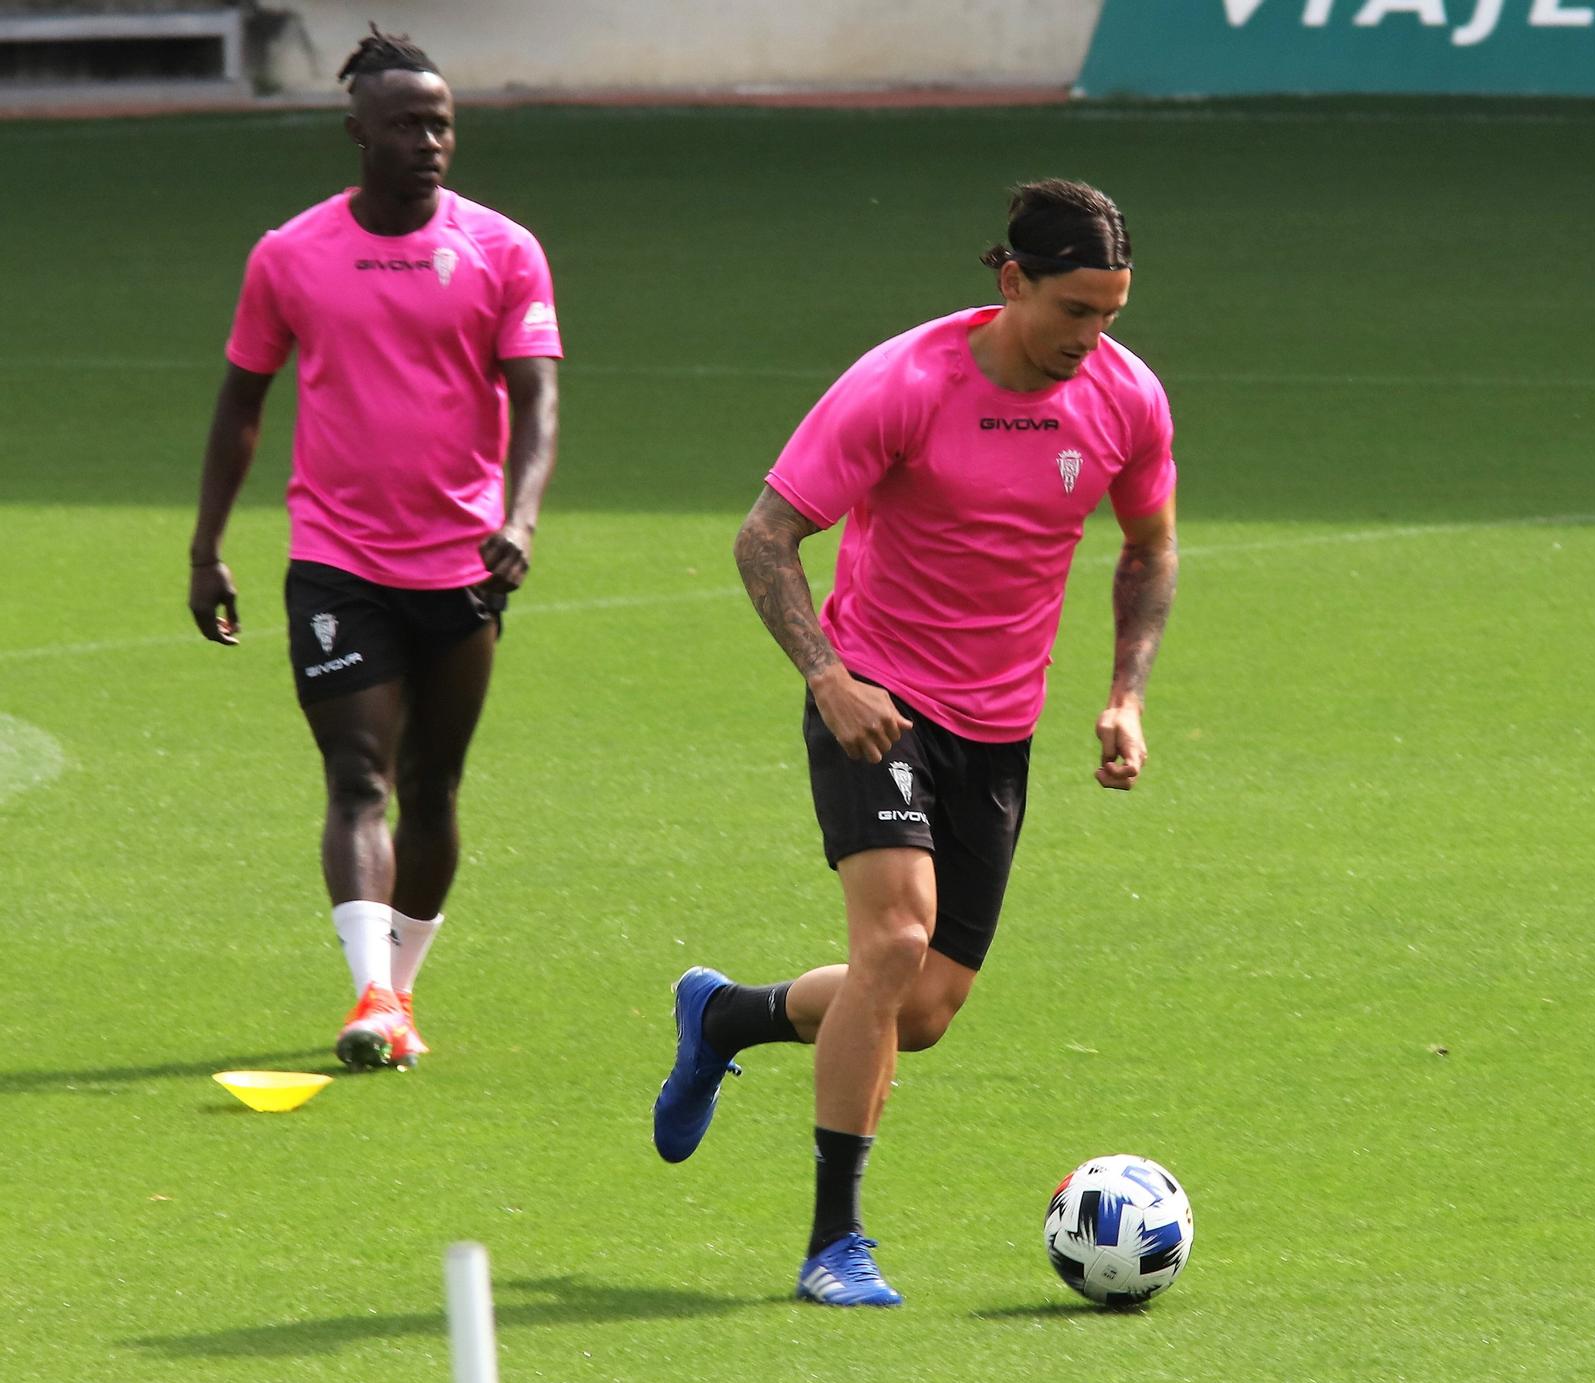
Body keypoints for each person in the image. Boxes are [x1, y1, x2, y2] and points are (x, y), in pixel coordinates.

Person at [653, 179, 1179, 1306]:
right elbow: (766, 538)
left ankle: (727, 1014)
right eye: (1074, 311)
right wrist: (827, 678)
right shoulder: (901, 385)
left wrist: (1125, 695)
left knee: (924, 1010)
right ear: (1010, 283)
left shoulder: (1126, 401)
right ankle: (833, 1245)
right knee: (892, 946)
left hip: (998, 730)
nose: (1092, 340)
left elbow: (1146, 551)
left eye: (1112, 315)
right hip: (878, 702)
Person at [186, 26, 561, 1070]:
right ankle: (367, 989)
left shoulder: (502, 250)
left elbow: (536, 402)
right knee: (358, 774)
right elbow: (241, 402)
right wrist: (205, 547)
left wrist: (518, 519)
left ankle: (395, 996)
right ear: (357, 132)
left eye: (440, 123)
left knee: (434, 786)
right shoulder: (290, 254)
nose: (428, 141)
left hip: (464, 562)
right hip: (335, 560)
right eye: (405, 125)